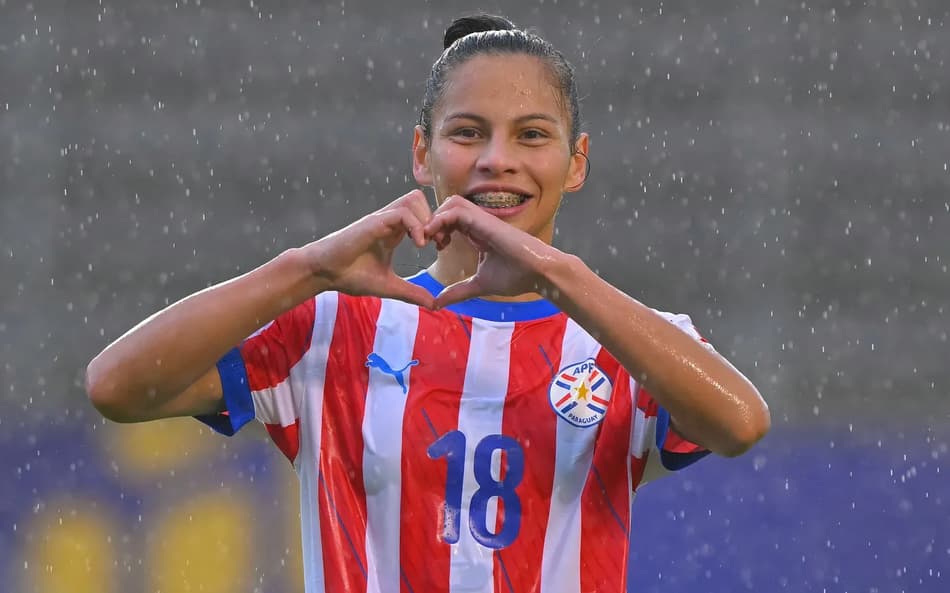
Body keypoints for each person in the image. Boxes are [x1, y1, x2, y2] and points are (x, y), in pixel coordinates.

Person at [85, 14, 770, 593]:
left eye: (532, 135)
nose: (497, 159)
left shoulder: (627, 343)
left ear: (577, 162)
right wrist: (306, 268)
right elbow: (116, 386)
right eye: (467, 132)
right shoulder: (335, 324)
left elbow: (740, 422)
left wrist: (556, 275)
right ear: (422, 153)